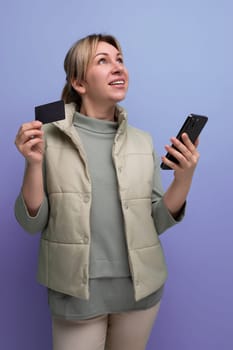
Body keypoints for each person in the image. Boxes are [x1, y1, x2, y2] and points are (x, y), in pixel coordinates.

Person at [14, 33, 200, 350]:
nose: (118, 68)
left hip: (141, 293)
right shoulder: (47, 135)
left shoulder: (142, 141)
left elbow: (155, 222)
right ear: (79, 82)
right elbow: (32, 223)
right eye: (103, 60)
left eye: (120, 60)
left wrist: (183, 179)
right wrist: (33, 164)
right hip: (75, 293)